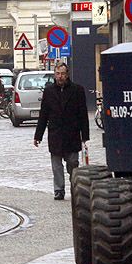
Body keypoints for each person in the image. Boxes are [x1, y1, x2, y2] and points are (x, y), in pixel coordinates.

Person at [33, 63, 90, 200]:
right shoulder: (49, 91)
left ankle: (75, 187)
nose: (60, 76)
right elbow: (43, 115)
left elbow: (83, 114)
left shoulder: (77, 90)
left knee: (73, 163)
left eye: (63, 74)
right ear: (54, 75)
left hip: (72, 133)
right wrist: (38, 136)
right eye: (58, 74)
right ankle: (59, 189)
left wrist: (85, 136)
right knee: (56, 165)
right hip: (55, 134)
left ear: (67, 74)